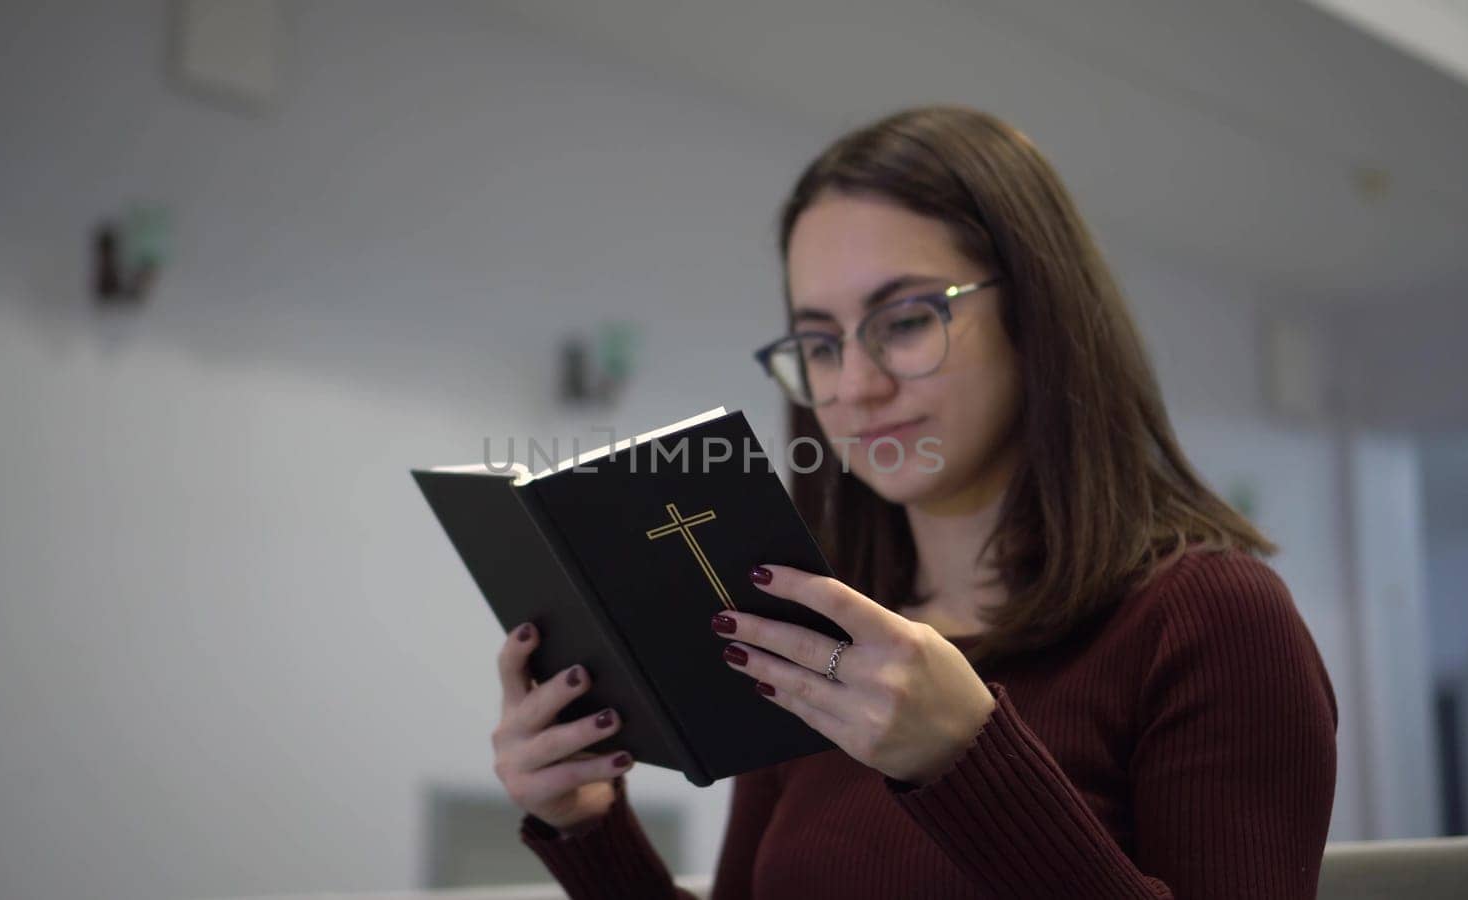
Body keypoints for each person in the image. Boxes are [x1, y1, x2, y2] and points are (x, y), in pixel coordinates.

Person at [487, 105, 1338, 899]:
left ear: (1037, 311)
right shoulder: (819, 637)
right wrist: (588, 828)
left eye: (905, 320)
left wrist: (967, 763)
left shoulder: (1210, 621)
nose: (856, 385)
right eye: (819, 342)